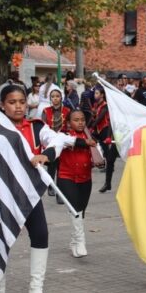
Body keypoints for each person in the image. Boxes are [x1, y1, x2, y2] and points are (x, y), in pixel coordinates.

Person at [0, 85, 76, 293]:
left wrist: (45, 155)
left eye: (21, 101)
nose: (18, 106)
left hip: (30, 193)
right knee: (1, 241)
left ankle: (35, 289)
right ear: (2, 105)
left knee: (41, 235)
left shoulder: (36, 127)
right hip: (3, 193)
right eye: (11, 102)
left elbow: (59, 140)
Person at [57, 109, 99, 258]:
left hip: (85, 178)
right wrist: (85, 142)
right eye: (76, 120)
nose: (80, 122)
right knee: (75, 209)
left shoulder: (90, 136)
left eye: (82, 119)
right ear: (69, 123)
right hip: (66, 177)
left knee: (81, 210)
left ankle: (74, 242)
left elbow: (99, 156)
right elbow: (71, 142)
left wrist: (100, 161)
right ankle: (81, 241)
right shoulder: (63, 136)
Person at [42, 89, 72, 199]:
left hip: (63, 142)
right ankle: (50, 186)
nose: (55, 98)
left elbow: (70, 125)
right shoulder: (45, 111)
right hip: (51, 142)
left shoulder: (68, 110)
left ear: (61, 98)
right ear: (50, 99)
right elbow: (44, 127)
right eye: (53, 96)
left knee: (61, 168)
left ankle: (60, 194)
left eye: (57, 96)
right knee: (52, 167)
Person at [90, 86, 115, 193]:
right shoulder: (96, 105)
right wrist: (87, 127)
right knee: (90, 146)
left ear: (102, 95)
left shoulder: (105, 106)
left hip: (106, 131)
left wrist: (90, 128)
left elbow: (100, 118)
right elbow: (94, 118)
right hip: (98, 132)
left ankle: (108, 183)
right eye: (94, 93)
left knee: (109, 158)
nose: (95, 95)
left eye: (97, 93)